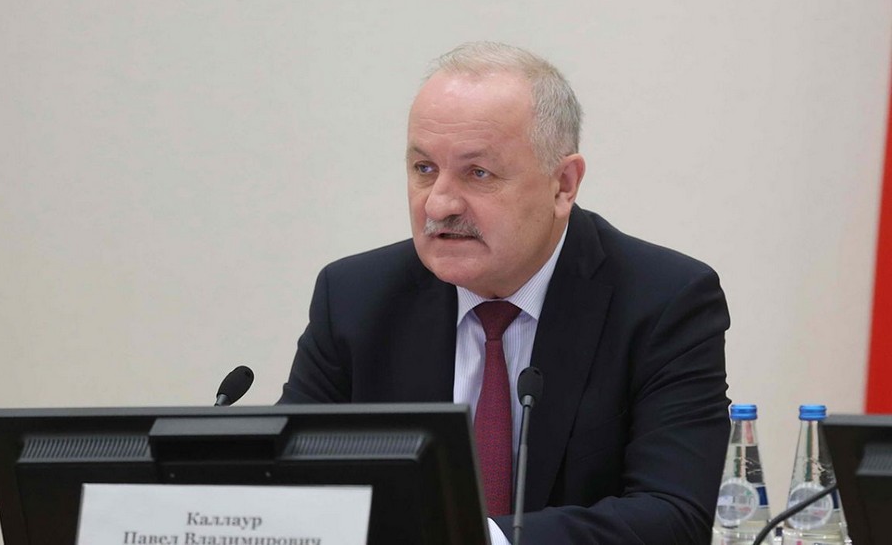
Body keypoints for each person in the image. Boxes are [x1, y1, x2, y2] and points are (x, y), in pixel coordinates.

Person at [279, 41, 731, 544]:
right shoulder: (354, 299)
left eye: (478, 173)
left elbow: (673, 517)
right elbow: (281, 488)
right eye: (424, 169)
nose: (439, 204)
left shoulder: (665, 301)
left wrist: (474, 540)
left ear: (563, 184)